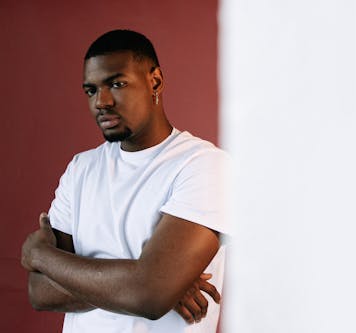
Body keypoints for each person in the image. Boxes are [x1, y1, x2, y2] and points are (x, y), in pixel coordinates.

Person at [21, 29, 229, 333]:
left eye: (116, 84)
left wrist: (40, 254)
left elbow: (150, 294)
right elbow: (39, 291)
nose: (101, 102)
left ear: (154, 81)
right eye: (91, 90)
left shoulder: (205, 165)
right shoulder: (81, 168)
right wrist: (143, 280)